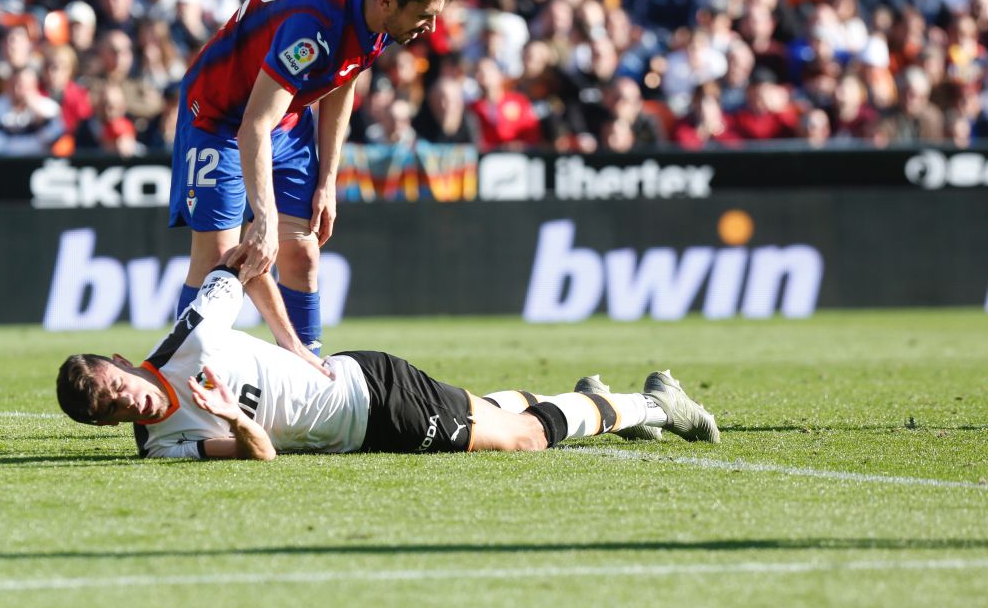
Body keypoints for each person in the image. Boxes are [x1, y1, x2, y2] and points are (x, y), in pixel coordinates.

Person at [57, 258, 720, 461]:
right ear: (111, 426)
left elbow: (238, 266)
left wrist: (287, 336)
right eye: (117, 410)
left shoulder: (188, 338)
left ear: (122, 360)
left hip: (368, 396)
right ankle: (588, 399)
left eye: (121, 385)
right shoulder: (164, 445)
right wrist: (232, 417)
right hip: (363, 426)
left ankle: (652, 401)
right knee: (484, 412)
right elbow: (259, 455)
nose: (131, 401)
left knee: (517, 442)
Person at [168, 0, 456, 368]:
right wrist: (262, 221)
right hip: (219, 118)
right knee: (216, 261)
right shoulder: (313, 27)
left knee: (302, 251)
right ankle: (181, 379)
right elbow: (253, 127)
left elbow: (343, 79)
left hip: (283, 114)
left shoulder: (374, 4)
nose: (431, 28)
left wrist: (328, 181)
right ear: (387, 2)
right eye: (425, 14)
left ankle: (308, 378)